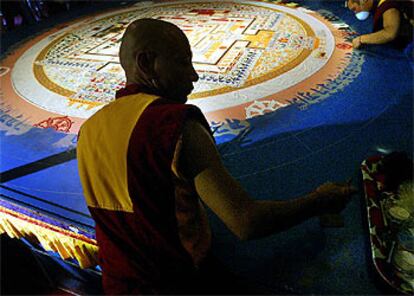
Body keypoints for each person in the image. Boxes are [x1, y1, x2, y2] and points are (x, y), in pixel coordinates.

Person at [77, 18, 355, 294]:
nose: (194, 76)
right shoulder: (175, 125)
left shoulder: (88, 130)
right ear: (146, 63)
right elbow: (246, 222)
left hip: (115, 284)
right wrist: (320, 200)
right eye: (182, 62)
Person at [347, 0, 414, 49]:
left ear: (364, 1)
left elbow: (390, 33)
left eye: (354, 9)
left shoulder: (388, 6)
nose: (355, 13)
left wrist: (361, 39)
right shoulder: (377, 6)